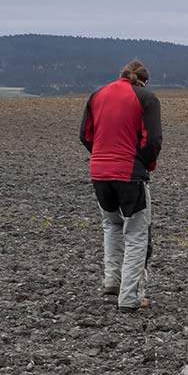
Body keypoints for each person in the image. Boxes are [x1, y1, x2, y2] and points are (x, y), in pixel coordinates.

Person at [80, 60, 162, 310]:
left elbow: (85, 135)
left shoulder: (97, 95)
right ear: (144, 81)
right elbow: (153, 140)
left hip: (100, 174)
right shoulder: (147, 98)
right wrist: (142, 164)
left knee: (112, 225)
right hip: (129, 175)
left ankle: (112, 283)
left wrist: (101, 156)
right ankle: (130, 298)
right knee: (137, 235)